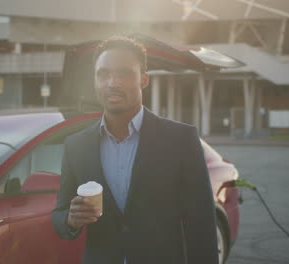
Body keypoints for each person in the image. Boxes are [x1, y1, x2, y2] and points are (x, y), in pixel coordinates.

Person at [52, 36, 219, 264]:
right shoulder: (75, 146)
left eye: (124, 73)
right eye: (103, 74)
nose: (113, 83)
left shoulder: (181, 140)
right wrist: (71, 220)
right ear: (95, 81)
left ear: (143, 80)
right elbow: (59, 216)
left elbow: (201, 225)